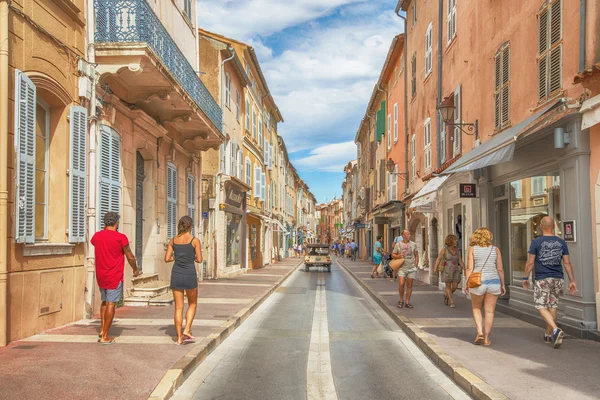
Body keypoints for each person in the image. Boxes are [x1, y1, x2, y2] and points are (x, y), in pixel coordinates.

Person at [523, 216, 577, 348]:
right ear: (553, 226)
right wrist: (572, 280)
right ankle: (548, 335)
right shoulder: (561, 242)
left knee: (540, 306)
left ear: (541, 226)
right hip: (558, 278)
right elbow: (567, 263)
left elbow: (530, 263)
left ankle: (555, 328)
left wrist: (525, 278)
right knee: (552, 306)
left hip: (542, 279)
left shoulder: (536, 242)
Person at [91, 212, 140, 344]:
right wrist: (135, 269)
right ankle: (105, 336)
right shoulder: (121, 238)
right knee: (111, 303)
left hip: (101, 274)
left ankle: (102, 329)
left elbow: (95, 244)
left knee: (104, 301)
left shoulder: (97, 236)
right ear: (116, 223)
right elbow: (130, 256)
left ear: (104, 222)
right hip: (114, 275)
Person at [164, 216, 203, 345]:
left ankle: (179, 338)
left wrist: (176, 257)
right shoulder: (194, 240)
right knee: (192, 303)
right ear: (190, 226)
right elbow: (199, 259)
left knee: (178, 307)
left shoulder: (173, 240)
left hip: (176, 274)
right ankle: (187, 329)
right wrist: (190, 257)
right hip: (190, 274)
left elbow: (167, 258)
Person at [463, 228, 505, 346]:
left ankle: (480, 332)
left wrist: (466, 282)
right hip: (494, 282)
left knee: (476, 308)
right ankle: (486, 339)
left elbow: (469, 268)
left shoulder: (472, 249)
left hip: (478, 282)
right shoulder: (496, 249)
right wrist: (503, 284)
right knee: (490, 311)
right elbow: (500, 269)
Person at [435, 234, 465, 308]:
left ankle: (447, 295)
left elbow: (460, 261)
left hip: (455, 270)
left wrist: (465, 268)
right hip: (446, 269)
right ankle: (451, 301)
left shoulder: (457, 250)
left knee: (455, 286)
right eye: (455, 240)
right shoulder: (444, 249)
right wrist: (435, 267)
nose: (456, 241)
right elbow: (439, 258)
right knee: (448, 285)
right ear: (450, 241)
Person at [394, 229, 418, 308]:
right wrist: (399, 256)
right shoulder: (398, 245)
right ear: (403, 236)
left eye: (409, 234)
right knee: (401, 284)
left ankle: (407, 302)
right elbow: (393, 255)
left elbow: (416, 255)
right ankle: (401, 300)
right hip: (402, 267)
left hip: (411, 267)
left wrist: (416, 265)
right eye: (407, 234)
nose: (409, 235)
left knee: (409, 285)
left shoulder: (413, 244)